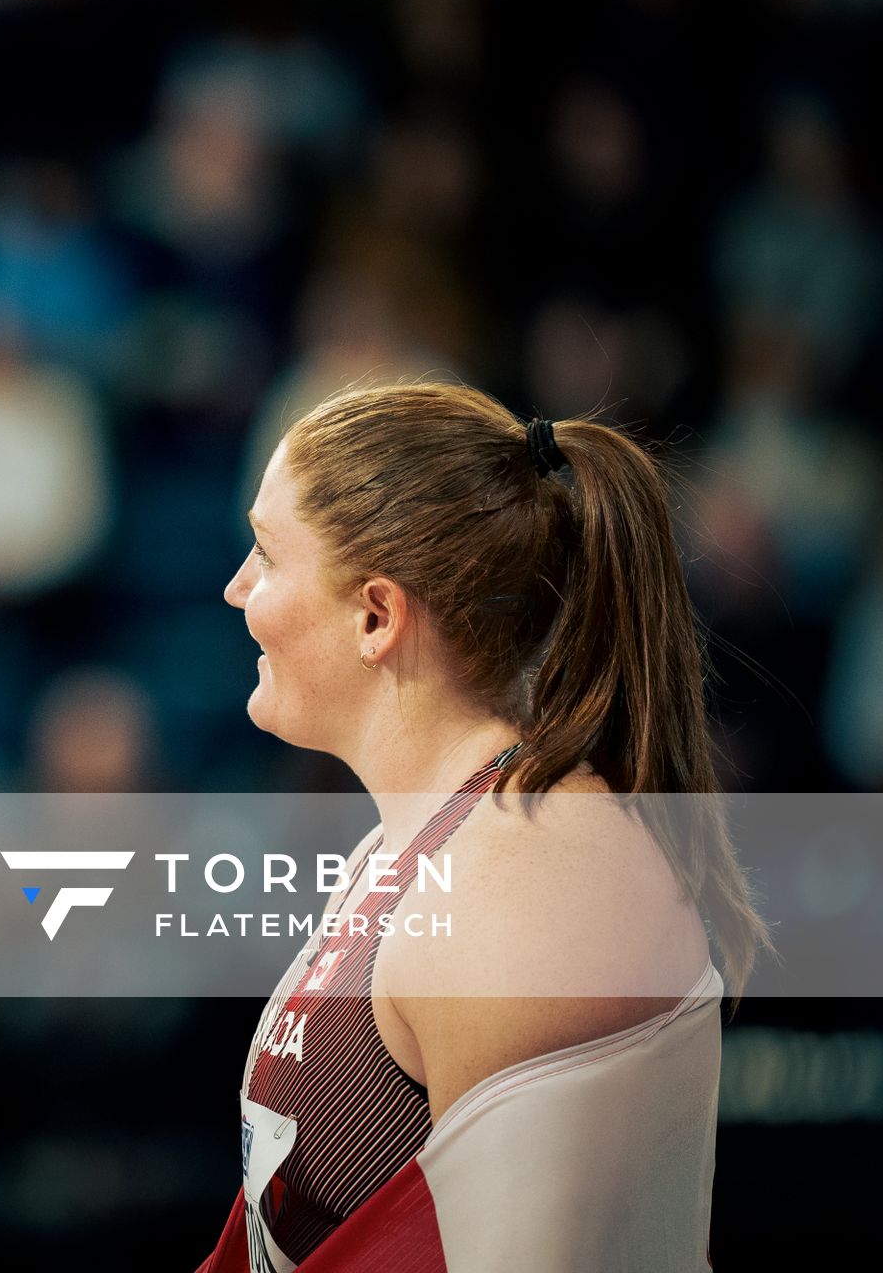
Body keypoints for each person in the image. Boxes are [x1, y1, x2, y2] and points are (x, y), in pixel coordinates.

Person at [195, 382, 770, 1271]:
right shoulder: (426, 843)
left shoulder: (529, 875)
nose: (236, 589)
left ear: (377, 616)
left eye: (267, 556)